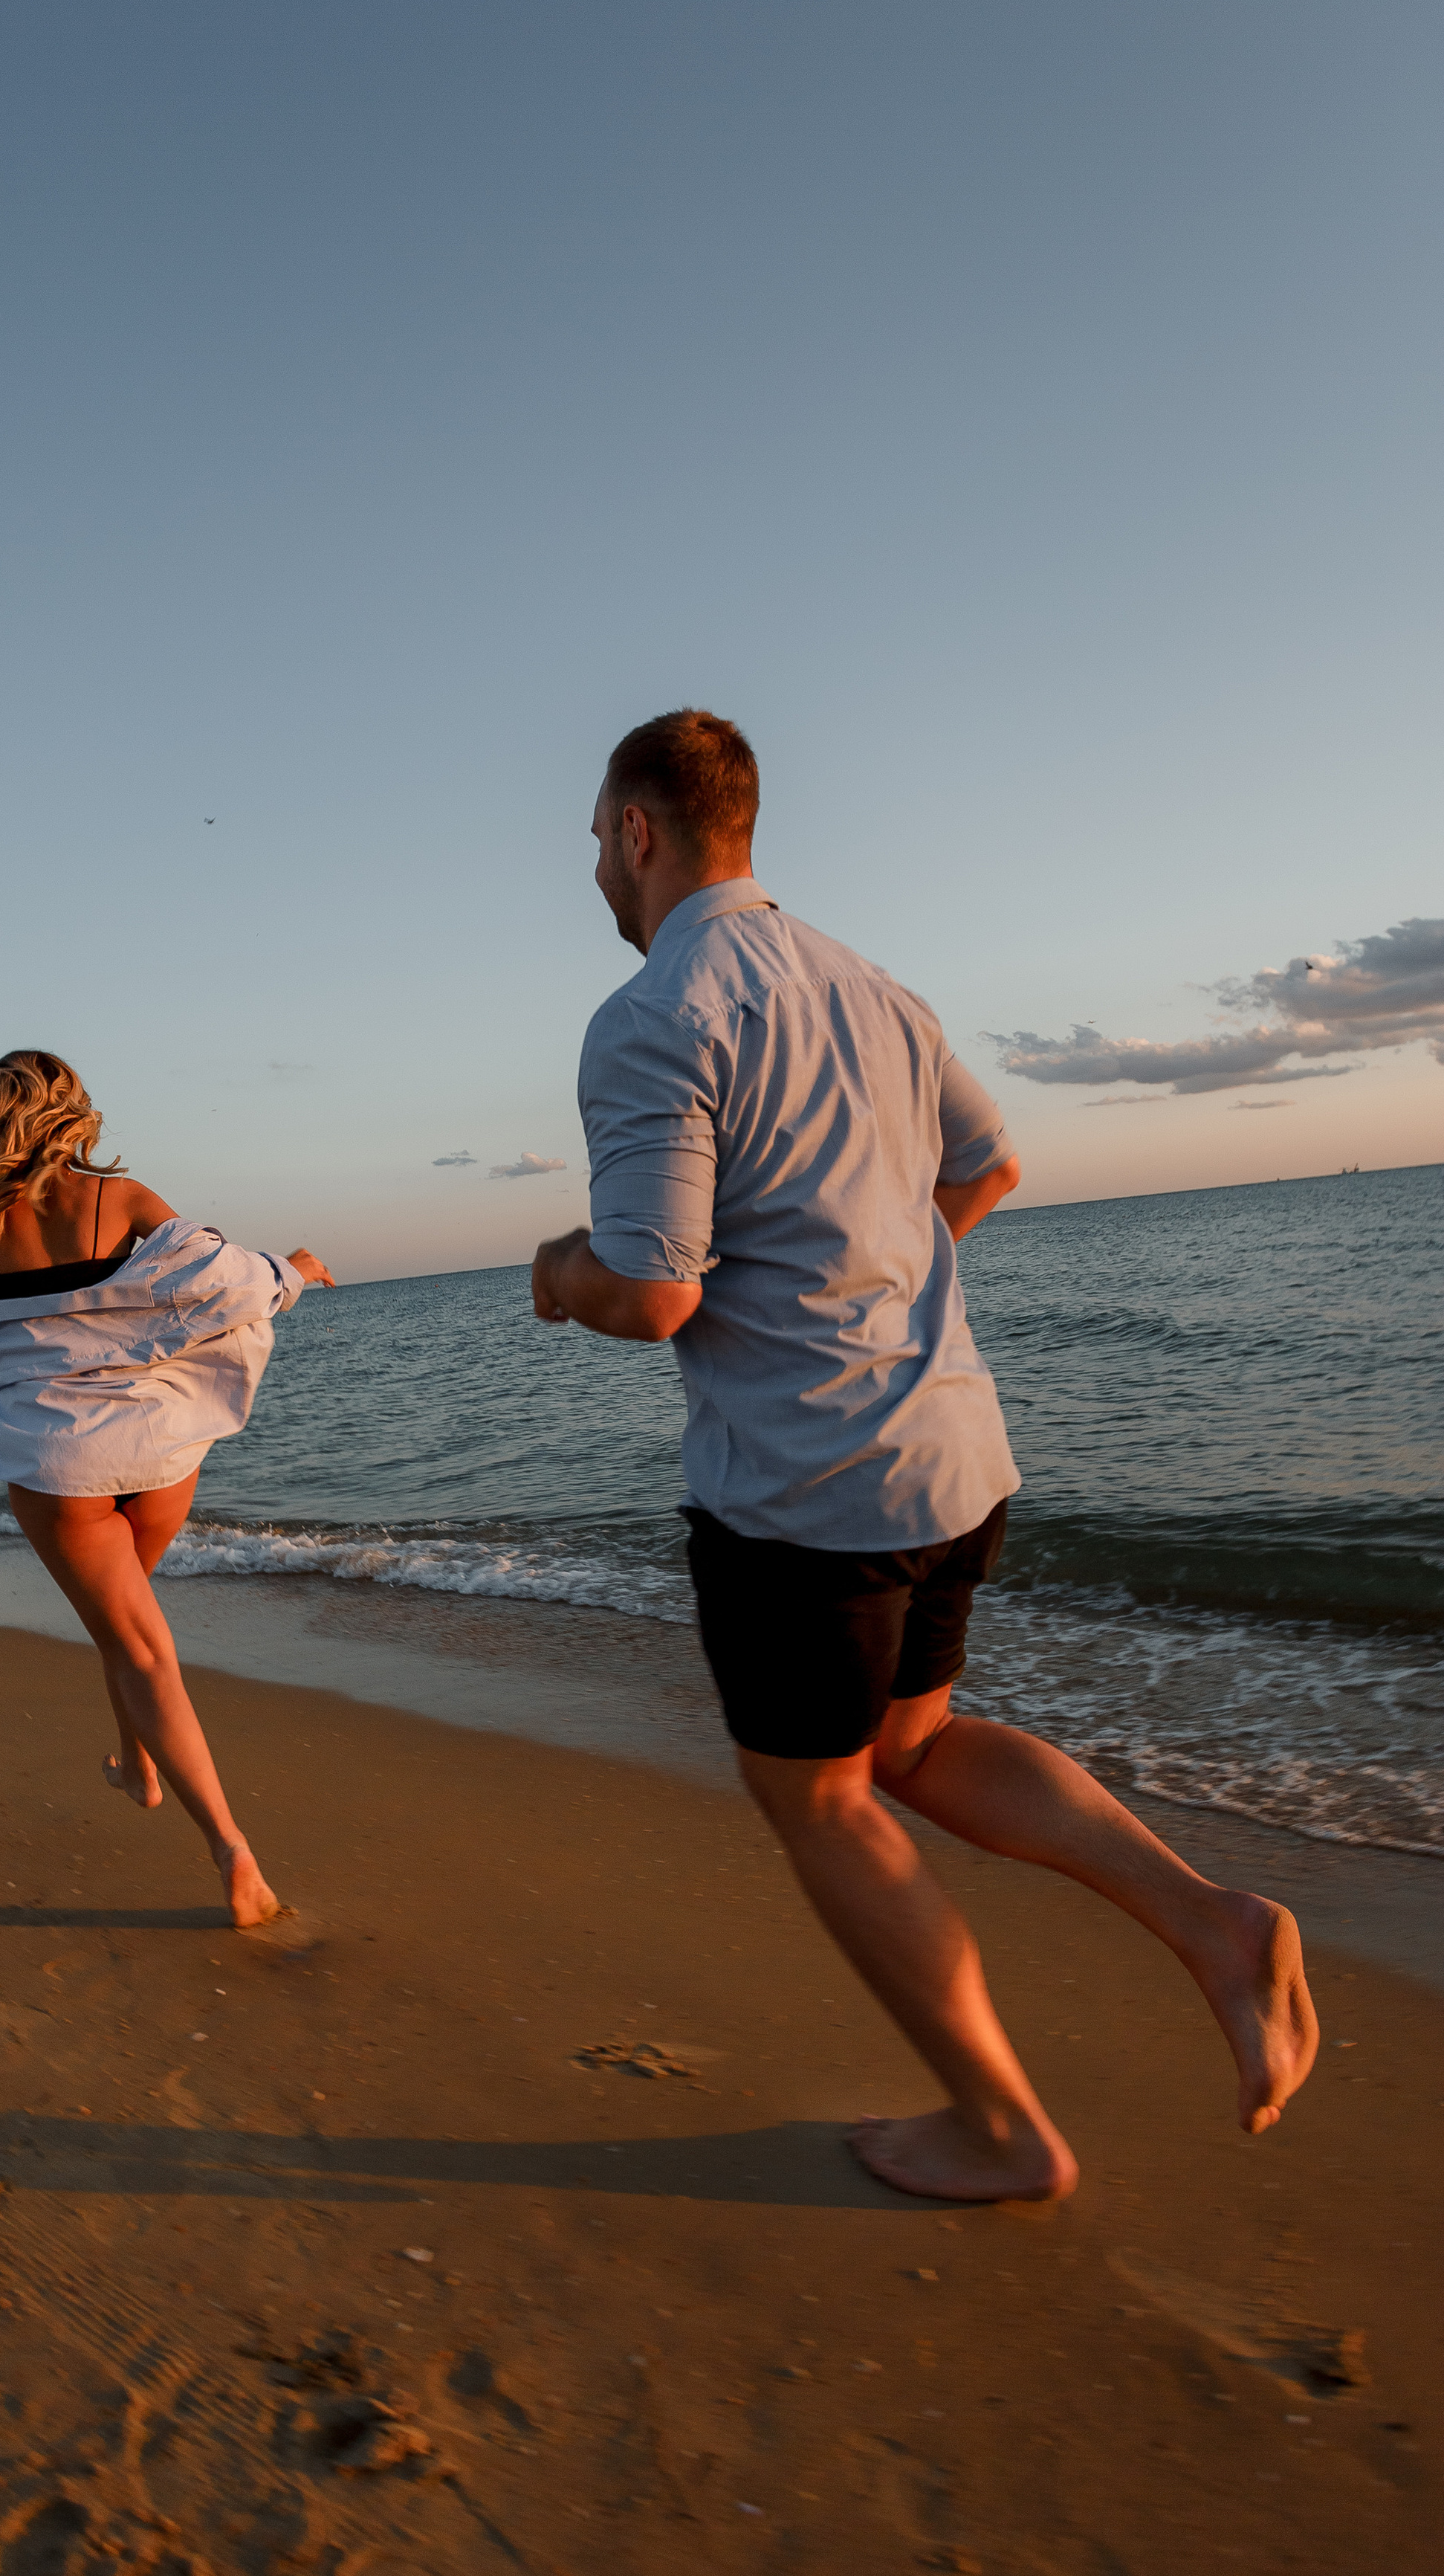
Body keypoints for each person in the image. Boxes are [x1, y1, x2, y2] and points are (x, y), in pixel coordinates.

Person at [531, 711, 1318, 2200]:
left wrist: (559, 1270)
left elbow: (649, 1289)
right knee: (906, 1747)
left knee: (818, 1798)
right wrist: (863, 1282)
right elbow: (988, 1166)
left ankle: (998, 2124)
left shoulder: (654, 1012)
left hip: (805, 1493)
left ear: (639, 831)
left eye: (591, 838)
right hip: (952, 1452)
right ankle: (1217, 1924)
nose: (590, 867)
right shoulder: (872, 988)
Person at [0, 1050, 332, 1928]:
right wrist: (296, 1270)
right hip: (157, 1446)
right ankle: (136, 1764)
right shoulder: (118, 1199)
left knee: (132, 1642)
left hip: (59, 1468)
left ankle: (232, 1852)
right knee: (129, 1630)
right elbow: (219, 1276)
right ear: (73, 1113)